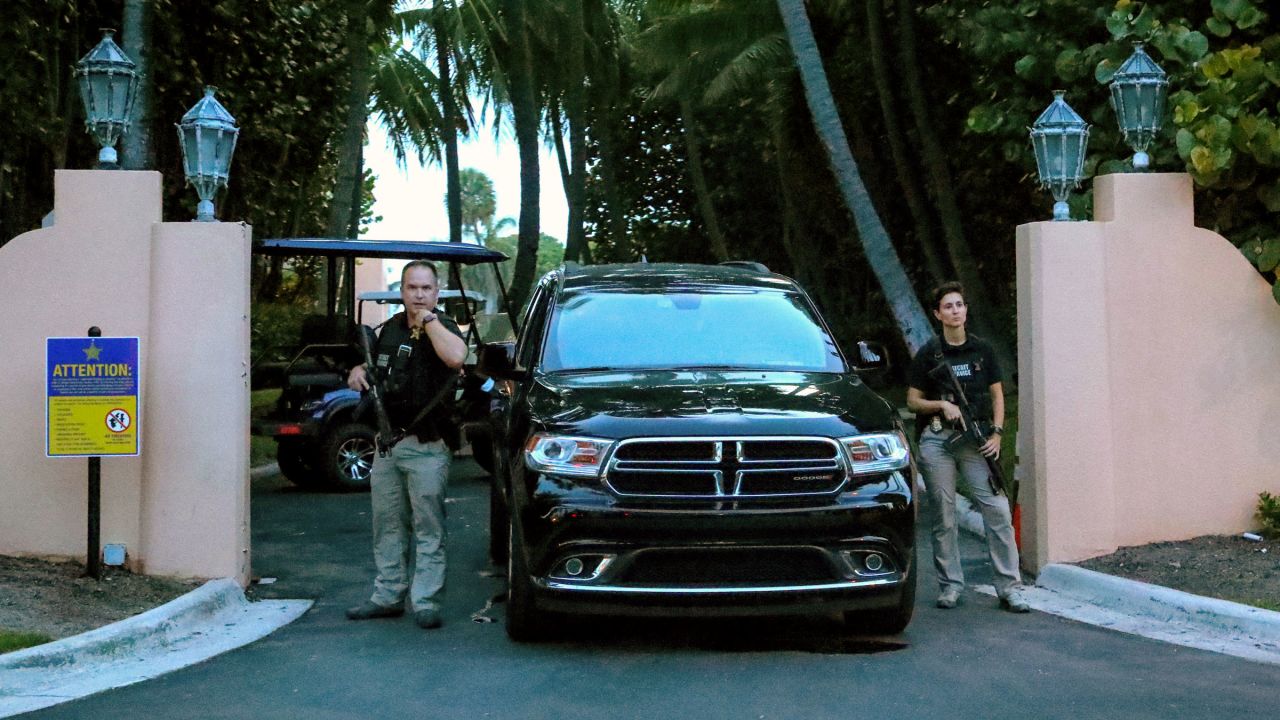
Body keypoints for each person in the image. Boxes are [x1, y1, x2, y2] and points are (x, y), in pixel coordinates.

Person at [345, 260, 467, 629]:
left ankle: (426, 601)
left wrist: (429, 320)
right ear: (401, 291)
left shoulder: (441, 326)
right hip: (388, 444)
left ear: (436, 292)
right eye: (412, 288)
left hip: (427, 445)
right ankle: (387, 595)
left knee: (428, 526)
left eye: (425, 288)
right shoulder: (391, 329)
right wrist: (357, 371)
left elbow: (456, 357)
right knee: (387, 524)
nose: (418, 294)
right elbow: (377, 370)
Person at [906, 282, 1030, 613]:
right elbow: (912, 401)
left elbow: (997, 396)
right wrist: (940, 406)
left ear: (966, 310)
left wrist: (998, 434)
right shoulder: (929, 353)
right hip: (938, 441)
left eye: (959, 304)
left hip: (976, 440)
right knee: (944, 516)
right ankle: (950, 586)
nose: (955, 310)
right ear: (938, 314)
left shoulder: (983, 350)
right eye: (948, 306)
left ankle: (1010, 586)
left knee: (998, 509)